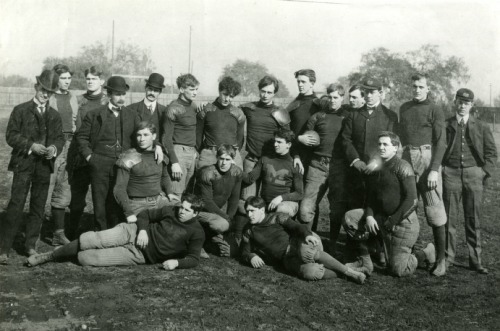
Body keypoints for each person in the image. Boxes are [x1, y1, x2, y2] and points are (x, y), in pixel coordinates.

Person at [26, 194, 205, 270]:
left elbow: (194, 259)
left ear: (195, 213)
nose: (181, 211)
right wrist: (142, 231)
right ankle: (49, 256)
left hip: (139, 255)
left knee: (87, 259)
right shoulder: (170, 210)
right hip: (132, 232)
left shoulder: (197, 233)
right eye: (181, 207)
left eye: (187, 210)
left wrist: (176, 263)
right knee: (91, 239)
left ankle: (71, 254)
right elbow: (145, 214)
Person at [76, 76, 163, 231]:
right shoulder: (94, 114)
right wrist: (90, 157)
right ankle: (100, 234)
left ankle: (116, 235)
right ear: (109, 94)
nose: (121, 98)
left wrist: (157, 145)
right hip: (100, 164)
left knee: (118, 201)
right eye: (117, 94)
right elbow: (81, 137)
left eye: (123, 94)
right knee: (100, 202)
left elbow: (145, 132)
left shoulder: (132, 115)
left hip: (123, 166)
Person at [343, 132, 436, 277]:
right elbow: (372, 197)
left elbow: (412, 200)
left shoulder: (403, 166)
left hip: (402, 223)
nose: (381, 147)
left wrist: (392, 221)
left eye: (385, 144)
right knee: (351, 218)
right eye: (379, 144)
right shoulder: (377, 168)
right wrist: (369, 216)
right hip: (383, 220)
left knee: (398, 270)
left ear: (396, 147)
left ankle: (425, 252)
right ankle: (365, 263)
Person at [0, 70, 65, 264]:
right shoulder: (20, 110)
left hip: (44, 167)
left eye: (50, 92)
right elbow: (11, 136)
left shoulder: (54, 115)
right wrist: (31, 146)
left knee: (38, 207)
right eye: (43, 90)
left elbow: (59, 138)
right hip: (23, 165)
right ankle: (4, 248)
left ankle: (30, 245)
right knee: (16, 205)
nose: (45, 94)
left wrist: (53, 149)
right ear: (36, 87)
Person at [240, 196, 366, 284]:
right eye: (247, 212)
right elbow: (244, 251)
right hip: (287, 259)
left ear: (262, 210)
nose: (249, 215)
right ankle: (342, 271)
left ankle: (351, 273)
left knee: (307, 253)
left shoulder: (276, 217)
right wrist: (251, 256)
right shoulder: (248, 230)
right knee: (311, 273)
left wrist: (307, 235)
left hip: (297, 243)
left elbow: (296, 226)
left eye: (252, 211)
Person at [397, 73, 448, 276]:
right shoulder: (404, 108)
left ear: (428, 88)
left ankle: (441, 260)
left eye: (421, 86)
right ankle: (414, 252)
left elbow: (441, 142)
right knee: (408, 206)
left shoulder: (435, 109)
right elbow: (401, 137)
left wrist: (434, 169)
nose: (417, 90)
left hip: (427, 159)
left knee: (434, 212)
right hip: (408, 157)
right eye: (414, 86)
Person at [442, 88, 497, 274]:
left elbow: (491, 153)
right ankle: (448, 257)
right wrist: (442, 167)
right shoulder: (446, 124)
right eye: (459, 102)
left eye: (466, 103)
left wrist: (483, 172)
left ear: (471, 105)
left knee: (473, 218)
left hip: (474, 175)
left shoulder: (481, 126)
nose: (462, 106)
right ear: (455, 102)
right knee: (449, 218)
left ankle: (476, 260)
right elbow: (439, 147)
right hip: (451, 173)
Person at [237, 76, 290, 240]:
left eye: (269, 92)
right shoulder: (249, 108)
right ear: (258, 90)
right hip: (252, 161)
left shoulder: (279, 112)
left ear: (274, 93)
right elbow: (231, 111)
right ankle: (241, 236)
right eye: (263, 91)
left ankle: (264, 237)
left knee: (268, 202)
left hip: (270, 163)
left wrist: (293, 157)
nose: (265, 95)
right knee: (247, 201)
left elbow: (289, 136)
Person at [299, 84, 348, 232]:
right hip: (317, 165)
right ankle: (307, 238)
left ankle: (332, 245)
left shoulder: (348, 115)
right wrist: (302, 138)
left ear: (342, 97)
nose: (333, 101)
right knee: (306, 207)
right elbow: (306, 137)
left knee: (337, 208)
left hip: (339, 167)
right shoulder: (317, 116)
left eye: (336, 97)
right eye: (330, 97)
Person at [66, 65, 108, 238]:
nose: (90, 82)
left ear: (102, 81)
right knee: (77, 198)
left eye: (94, 79)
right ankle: (70, 233)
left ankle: (102, 232)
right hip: (81, 154)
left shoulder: (107, 101)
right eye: (88, 79)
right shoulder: (79, 100)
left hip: (100, 154)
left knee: (100, 197)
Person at [113, 122, 171, 223]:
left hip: (159, 200)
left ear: (154, 136)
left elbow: (165, 177)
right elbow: (119, 188)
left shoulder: (160, 155)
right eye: (139, 135)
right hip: (137, 204)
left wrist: (170, 193)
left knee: (181, 219)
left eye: (145, 135)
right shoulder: (128, 157)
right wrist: (129, 213)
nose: (142, 139)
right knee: (142, 233)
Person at [47, 64, 79, 246]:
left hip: (70, 144)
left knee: (64, 187)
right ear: (56, 79)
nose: (67, 81)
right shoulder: (49, 96)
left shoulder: (73, 97)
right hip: (54, 145)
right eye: (63, 78)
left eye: (69, 78)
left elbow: (76, 121)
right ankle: (33, 233)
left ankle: (58, 234)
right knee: (47, 185)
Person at [243, 129, 303, 217]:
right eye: (275, 141)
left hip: (284, 203)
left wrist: (281, 198)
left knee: (282, 210)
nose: (275, 144)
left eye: (279, 142)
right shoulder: (265, 159)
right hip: (266, 203)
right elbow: (250, 178)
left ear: (288, 145)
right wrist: (234, 168)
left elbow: (299, 194)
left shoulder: (295, 165)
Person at [195, 144, 243, 256]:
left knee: (230, 251)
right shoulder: (207, 173)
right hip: (199, 211)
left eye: (227, 159)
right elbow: (206, 201)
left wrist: (230, 218)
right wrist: (226, 218)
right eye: (221, 159)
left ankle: (209, 239)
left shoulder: (236, 172)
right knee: (222, 224)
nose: (224, 163)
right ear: (217, 158)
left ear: (232, 160)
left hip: (216, 212)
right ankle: (196, 241)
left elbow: (234, 198)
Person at [162, 74, 199, 201]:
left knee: (188, 194)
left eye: (196, 89)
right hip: (178, 153)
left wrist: (195, 151)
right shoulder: (173, 108)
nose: (195, 93)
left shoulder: (193, 106)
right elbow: (166, 138)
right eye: (192, 89)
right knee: (176, 195)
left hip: (191, 152)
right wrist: (174, 162)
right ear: (182, 89)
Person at [196, 76, 245, 169]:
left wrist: (231, 153)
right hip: (210, 155)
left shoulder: (238, 113)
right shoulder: (206, 110)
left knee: (234, 181)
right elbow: (198, 136)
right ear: (219, 91)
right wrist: (203, 152)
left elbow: (240, 139)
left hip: (231, 155)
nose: (227, 99)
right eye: (225, 94)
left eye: (231, 96)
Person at [286, 69, 320, 174]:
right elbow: (285, 131)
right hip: (295, 153)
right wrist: (298, 138)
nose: (300, 84)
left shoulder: (319, 104)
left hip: (315, 157)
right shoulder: (293, 106)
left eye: (303, 82)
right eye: (298, 82)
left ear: (312, 83)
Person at [128, 73, 167, 140]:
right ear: (145, 88)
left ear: (160, 92)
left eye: (156, 91)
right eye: (150, 89)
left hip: (158, 149)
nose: (152, 93)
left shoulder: (164, 111)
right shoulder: (131, 109)